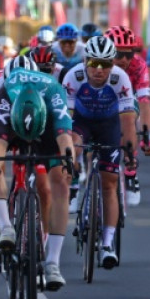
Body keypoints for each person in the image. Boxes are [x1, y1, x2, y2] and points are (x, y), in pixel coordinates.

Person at [0, 65, 74, 289]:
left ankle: (53, 263)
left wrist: (70, 164)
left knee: (61, 183)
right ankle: (5, 226)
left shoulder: (55, 94)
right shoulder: (6, 95)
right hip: (13, 121)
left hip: (46, 128)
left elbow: (65, 140)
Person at [62, 36, 138, 268]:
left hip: (108, 125)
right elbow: (66, 120)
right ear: (85, 61)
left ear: (112, 63)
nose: (98, 70)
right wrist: (68, 154)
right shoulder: (73, 76)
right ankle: (74, 182)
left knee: (109, 183)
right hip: (81, 122)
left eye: (105, 64)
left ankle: (107, 244)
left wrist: (130, 153)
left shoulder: (120, 78)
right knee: (72, 145)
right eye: (93, 63)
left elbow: (128, 121)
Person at [105, 26, 150, 207]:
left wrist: (146, 136)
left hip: (128, 98)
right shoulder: (97, 63)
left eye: (129, 54)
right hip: (101, 97)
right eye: (119, 54)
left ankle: (130, 169)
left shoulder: (139, 65)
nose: (124, 59)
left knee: (129, 118)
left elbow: (144, 101)